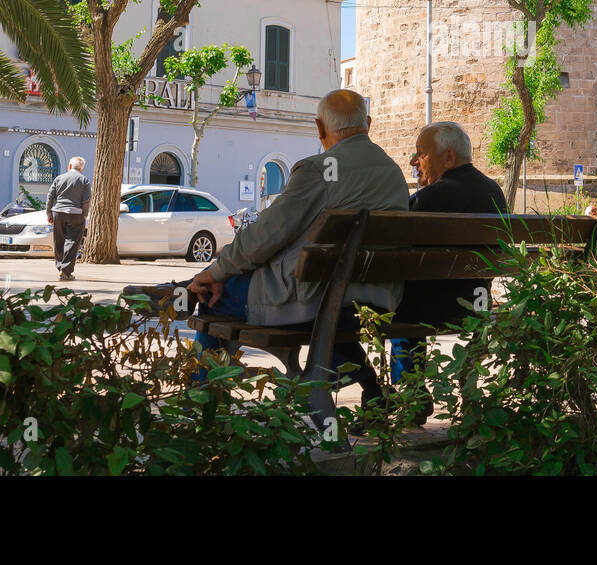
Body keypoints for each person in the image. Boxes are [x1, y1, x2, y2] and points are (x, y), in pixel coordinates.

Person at [183, 89, 407, 405]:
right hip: (378, 300)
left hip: (315, 301)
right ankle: (372, 390)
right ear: (367, 123)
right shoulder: (393, 173)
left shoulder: (319, 169)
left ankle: (201, 404)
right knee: (335, 311)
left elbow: (264, 236)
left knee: (212, 296)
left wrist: (216, 271)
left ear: (320, 128)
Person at [394, 121, 507, 424]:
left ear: (447, 157)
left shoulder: (428, 199)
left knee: (396, 307)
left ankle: (413, 392)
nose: (414, 161)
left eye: (421, 154)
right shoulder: (494, 192)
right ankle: (467, 385)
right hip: (477, 306)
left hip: (427, 309)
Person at [46, 157, 90, 281]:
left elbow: (50, 197)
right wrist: (85, 215)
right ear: (81, 168)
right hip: (76, 214)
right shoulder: (84, 180)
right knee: (72, 242)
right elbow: (86, 200)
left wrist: (49, 213)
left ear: (70, 166)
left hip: (58, 213)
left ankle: (60, 267)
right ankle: (65, 271)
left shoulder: (59, 178)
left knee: (58, 241)